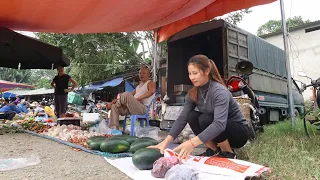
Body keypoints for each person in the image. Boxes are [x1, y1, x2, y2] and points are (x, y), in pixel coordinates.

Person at [149, 55, 250, 159]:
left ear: (206, 71)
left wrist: (192, 143)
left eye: (195, 73)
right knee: (192, 116)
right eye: (189, 73)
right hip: (219, 131)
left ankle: (228, 153)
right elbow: (182, 118)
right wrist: (166, 142)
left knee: (205, 118)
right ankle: (213, 149)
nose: (191, 77)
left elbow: (219, 124)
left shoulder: (219, 92)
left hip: (238, 133)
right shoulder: (194, 93)